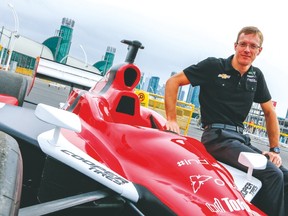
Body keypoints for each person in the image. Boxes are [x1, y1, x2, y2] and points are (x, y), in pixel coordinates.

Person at [164, 26, 288, 216]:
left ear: (259, 51)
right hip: (217, 138)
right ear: (235, 45)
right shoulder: (214, 66)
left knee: (285, 175)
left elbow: (270, 112)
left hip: (239, 139)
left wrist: (274, 150)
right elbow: (173, 82)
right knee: (272, 174)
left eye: (252, 46)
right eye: (243, 44)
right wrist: (171, 119)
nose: (247, 49)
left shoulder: (256, 76)